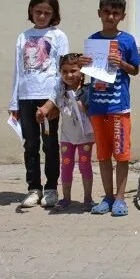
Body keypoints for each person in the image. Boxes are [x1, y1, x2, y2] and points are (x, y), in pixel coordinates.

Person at [78, 0, 140, 217]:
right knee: (103, 155)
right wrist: (82, 63)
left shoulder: (127, 40)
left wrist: (122, 63)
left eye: (115, 13)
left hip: (119, 107)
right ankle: (107, 196)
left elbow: (135, 70)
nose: (110, 16)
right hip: (97, 107)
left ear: (122, 16)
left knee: (121, 154)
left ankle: (121, 198)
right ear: (99, 13)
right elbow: (85, 72)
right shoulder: (93, 40)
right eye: (106, 12)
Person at [9, 0, 69, 209]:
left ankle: (51, 188)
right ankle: (34, 188)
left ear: (54, 14)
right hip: (26, 97)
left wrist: (54, 101)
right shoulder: (22, 36)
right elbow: (17, 70)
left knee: (50, 144)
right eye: (38, 12)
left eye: (47, 12)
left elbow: (63, 71)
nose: (42, 16)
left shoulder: (58, 36)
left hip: (48, 98)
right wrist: (13, 103)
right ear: (31, 12)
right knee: (30, 144)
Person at [35, 53, 94, 212]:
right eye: (65, 71)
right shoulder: (59, 88)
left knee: (84, 166)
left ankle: (88, 198)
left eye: (73, 71)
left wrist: (85, 106)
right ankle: (66, 198)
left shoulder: (87, 90)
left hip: (85, 136)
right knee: (66, 166)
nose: (69, 75)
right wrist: (42, 111)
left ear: (82, 71)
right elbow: (50, 102)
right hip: (67, 136)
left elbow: (93, 111)